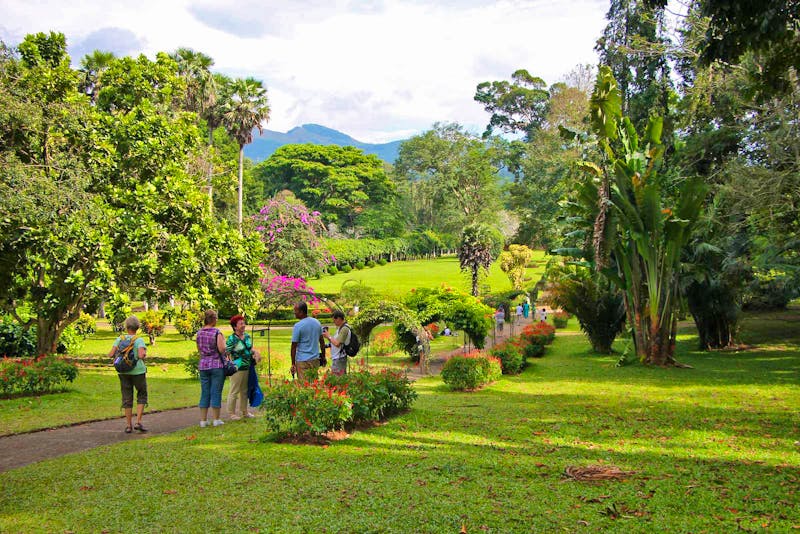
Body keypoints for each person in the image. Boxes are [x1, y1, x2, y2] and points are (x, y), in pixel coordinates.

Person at [109, 315, 148, 434]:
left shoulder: (120, 339)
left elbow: (111, 354)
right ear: (138, 327)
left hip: (123, 372)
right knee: (141, 394)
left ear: (126, 327)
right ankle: (138, 421)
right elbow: (141, 355)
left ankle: (128, 425)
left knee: (127, 397)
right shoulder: (139, 340)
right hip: (138, 372)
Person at [196, 309, 229, 428]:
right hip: (216, 365)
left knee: (205, 391)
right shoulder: (217, 333)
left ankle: (203, 420)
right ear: (214, 319)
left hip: (203, 365)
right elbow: (221, 349)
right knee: (216, 391)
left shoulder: (199, 333)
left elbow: (199, 349)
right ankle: (216, 419)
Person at [226, 314, 261, 420]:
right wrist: (229, 363)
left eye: (243, 323)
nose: (243, 325)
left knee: (244, 390)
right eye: (241, 323)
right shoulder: (232, 339)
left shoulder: (246, 336)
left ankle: (244, 411)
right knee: (234, 390)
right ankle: (231, 413)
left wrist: (256, 352)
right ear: (235, 327)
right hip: (237, 368)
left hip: (248, 367)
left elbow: (249, 348)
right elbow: (226, 352)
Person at [291, 301, 325, 382]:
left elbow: (293, 347)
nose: (294, 313)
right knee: (314, 384)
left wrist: (293, 363)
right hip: (315, 359)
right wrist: (323, 357)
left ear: (301, 312)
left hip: (302, 361)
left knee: (304, 385)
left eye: (296, 311)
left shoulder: (298, 326)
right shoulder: (317, 322)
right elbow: (322, 342)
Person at [323, 309, 351, 375]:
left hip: (339, 358)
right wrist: (326, 345)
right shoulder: (340, 328)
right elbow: (335, 341)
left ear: (338, 318)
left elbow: (337, 343)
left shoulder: (345, 329)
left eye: (334, 320)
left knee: (338, 380)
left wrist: (328, 336)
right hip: (337, 358)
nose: (333, 322)